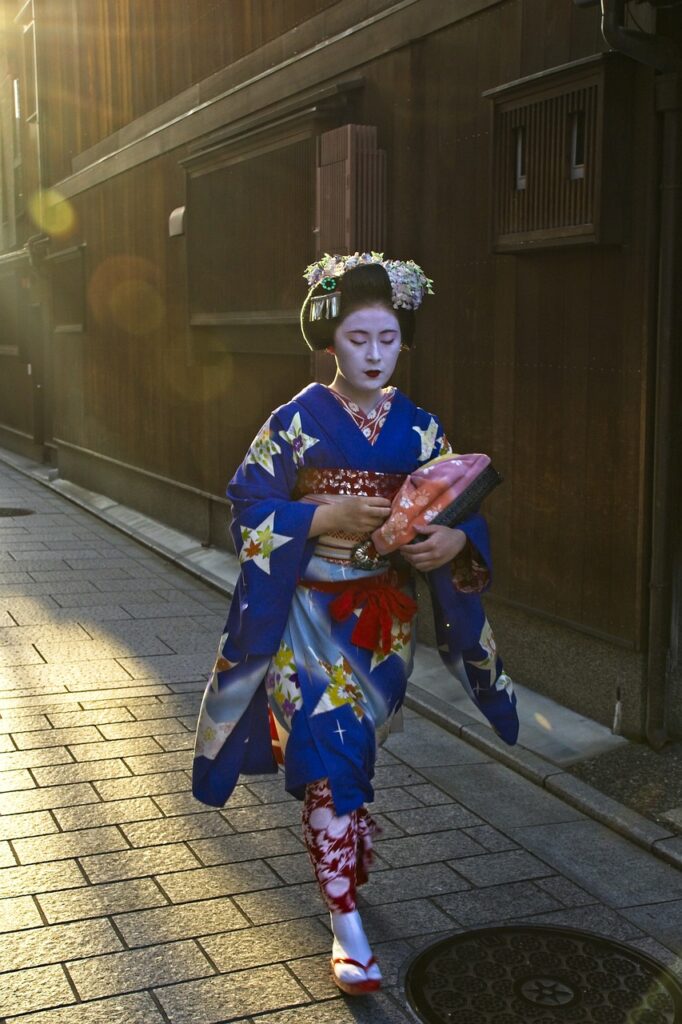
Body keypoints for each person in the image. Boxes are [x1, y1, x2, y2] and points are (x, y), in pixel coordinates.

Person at [192, 253, 518, 996]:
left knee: (353, 757)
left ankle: (345, 831)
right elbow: (246, 509)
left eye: (388, 339)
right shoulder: (294, 425)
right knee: (328, 756)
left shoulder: (421, 429)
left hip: (380, 623)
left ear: (403, 341)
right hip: (305, 614)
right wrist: (321, 517)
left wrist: (456, 541)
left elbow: (458, 508)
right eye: (357, 339)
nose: (373, 355)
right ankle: (347, 928)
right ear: (330, 343)